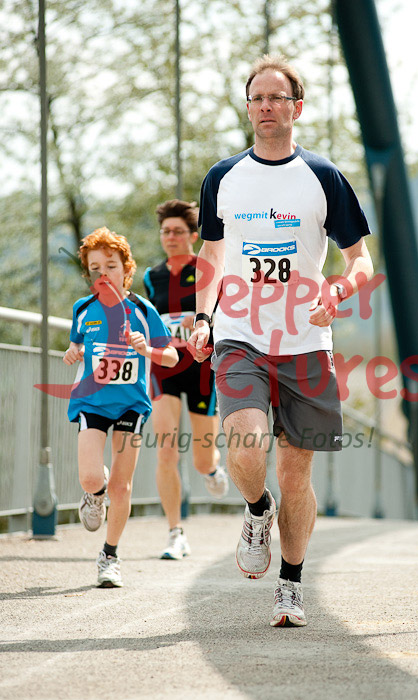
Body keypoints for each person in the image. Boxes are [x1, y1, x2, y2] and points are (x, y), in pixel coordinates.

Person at [189, 55, 374, 627]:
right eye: (257, 98)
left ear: (297, 107)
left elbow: (361, 259)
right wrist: (203, 317)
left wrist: (338, 289)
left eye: (277, 97)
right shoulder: (223, 177)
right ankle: (256, 506)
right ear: (248, 109)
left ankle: (290, 587)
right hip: (240, 335)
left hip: (306, 342)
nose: (266, 106)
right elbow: (211, 254)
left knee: (296, 474)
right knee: (246, 447)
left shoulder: (322, 176)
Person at [63, 226, 178, 587]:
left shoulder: (143, 310)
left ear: (126, 269)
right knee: (91, 478)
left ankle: (109, 556)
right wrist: (73, 351)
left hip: (131, 404)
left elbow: (172, 357)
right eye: (95, 268)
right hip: (92, 402)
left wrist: (147, 349)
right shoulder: (83, 309)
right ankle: (94, 494)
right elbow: (78, 343)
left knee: (121, 487)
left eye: (110, 266)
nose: (103, 274)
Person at [143, 199, 228, 560]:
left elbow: (225, 313)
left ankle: (212, 469)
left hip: (201, 369)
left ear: (194, 236)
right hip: (164, 369)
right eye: (166, 231)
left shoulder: (208, 270)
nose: (171, 237)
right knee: (166, 450)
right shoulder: (152, 277)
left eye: (178, 231)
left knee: (200, 460)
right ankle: (175, 533)